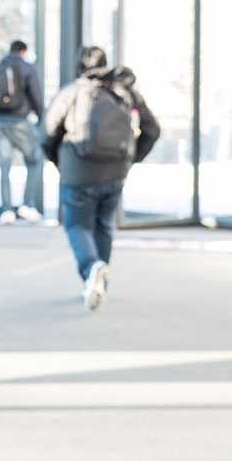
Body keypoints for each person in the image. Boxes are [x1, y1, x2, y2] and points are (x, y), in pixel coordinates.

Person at [42, 46, 160, 311]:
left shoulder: (73, 92)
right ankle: (99, 284)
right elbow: (153, 129)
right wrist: (131, 158)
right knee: (104, 226)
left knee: (77, 226)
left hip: (79, 173)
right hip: (116, 172)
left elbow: (47, 133)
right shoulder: (126, 91)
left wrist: (60, 161)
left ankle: (92, 269)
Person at [0, 40, 44, 224]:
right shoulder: (27, 67)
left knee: (5, 165)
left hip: (0, 122)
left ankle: (6, 211)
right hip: (20, 121)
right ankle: (26, 205)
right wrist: (41, 117)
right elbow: (36, 95)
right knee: (33, 161)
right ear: (23, 51)